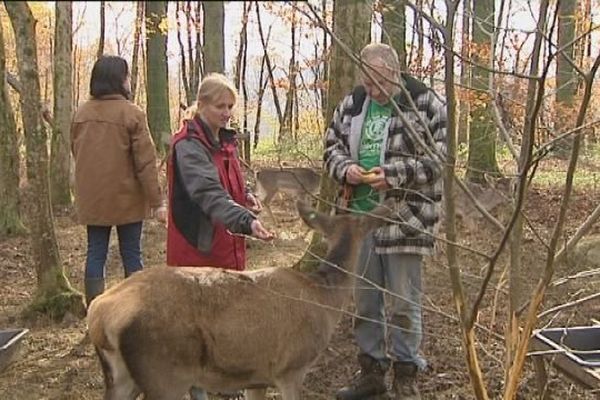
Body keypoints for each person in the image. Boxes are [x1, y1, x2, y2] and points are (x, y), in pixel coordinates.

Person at [324, 43, 447, 400]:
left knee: (404, 301)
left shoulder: (426, 103)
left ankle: (406, 373)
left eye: (379, 83)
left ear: (395, 72)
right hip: (358, 220)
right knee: (365, 301)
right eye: (367, 81)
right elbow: (331, 145)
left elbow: (439, 161)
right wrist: (345, 168)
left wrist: (392, 174)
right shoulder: (354, 103)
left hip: (405, 219)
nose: (373, 91)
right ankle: (371, 371)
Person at [166, 73, 273, 400]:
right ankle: (201, 390)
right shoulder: (188, 145)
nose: (226, 112)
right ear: (201, 106)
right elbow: (208, 193)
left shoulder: (225, 140)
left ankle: (225, 388)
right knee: (196, 329)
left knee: (227, 324)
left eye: (230, 106)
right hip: (197, 249)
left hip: (227, 247)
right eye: (219, 106)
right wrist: (246, 220)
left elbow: (229, 186)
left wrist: (247, 197)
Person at [71, 55, 166, 307]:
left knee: (95, 253)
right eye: (126, 76)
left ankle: (94, 310)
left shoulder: (81, 113)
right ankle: (135, 308)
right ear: (118, 80)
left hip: (93, 197)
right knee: (132, 253)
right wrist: (157, 202)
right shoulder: (132, 113)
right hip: (127, 197)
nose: (129, 80)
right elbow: (145, 163)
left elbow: (76, 152)